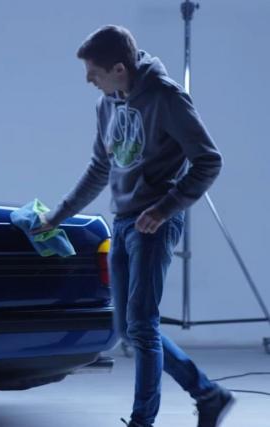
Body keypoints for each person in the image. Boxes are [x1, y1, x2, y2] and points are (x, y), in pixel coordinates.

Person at [31, 25, 233, 427]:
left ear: (119, 69)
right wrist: (58, 215)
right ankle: (208, 394)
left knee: (141, 325)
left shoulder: (167, 98)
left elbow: (209, 160)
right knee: (129, 328)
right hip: (122, 221)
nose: (89, 80)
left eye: (94, 72)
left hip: (154, 225)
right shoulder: (106, 104)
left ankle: (143, 421)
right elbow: (100, 167)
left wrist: (166, 208)